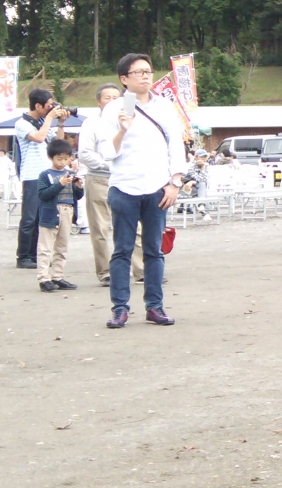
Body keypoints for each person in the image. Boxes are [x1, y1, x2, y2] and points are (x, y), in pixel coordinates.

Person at [99, 53, 187, 329]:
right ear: (124, 79)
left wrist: (175, 182)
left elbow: (176, 145)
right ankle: (120, 309)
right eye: (139, 72)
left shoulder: (164, 106)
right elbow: (106, 152)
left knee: (154, 251)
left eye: (148, 71)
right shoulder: (114, 109)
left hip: (157, 188)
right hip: (124, 187)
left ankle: (155, 306)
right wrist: (122, 130)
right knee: (122, 250)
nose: (146, 76)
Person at [77, 82, 141, 287]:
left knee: (135, 225)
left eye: (116, 97)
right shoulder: (91, 123)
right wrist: (110, 163)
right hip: (99, 178)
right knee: (100, 227)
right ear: (98, 101)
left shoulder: (130, 119)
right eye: (108, 98)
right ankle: (105, 272)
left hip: (127, 178)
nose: (113, 101)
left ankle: (141, 270)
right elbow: (85, 153)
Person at [13, 89, 67, 269]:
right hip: (31, 175)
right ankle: (23, 256)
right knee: (29, 218)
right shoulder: (22, 123)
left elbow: (57, 144)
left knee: (42, 217)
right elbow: (39, 137)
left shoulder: (44, 122)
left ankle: (36, 255)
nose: (51, 108)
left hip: (46, 175)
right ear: (38, 105)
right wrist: (50, 118)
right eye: (49, 105)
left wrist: (60, 123)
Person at [35, 138, 84, 291]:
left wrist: (79, 186)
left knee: (62, 247)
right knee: (45, 248)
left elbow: (77, 196)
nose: (63, 162)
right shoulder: (45, 175)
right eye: (59, 159)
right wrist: (60, 184)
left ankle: (58, 276)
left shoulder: (70, 173)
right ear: (51, 157)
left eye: (66, 158)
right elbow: (42, 195)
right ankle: (43, 278)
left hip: (67, 211)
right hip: (50, 213)